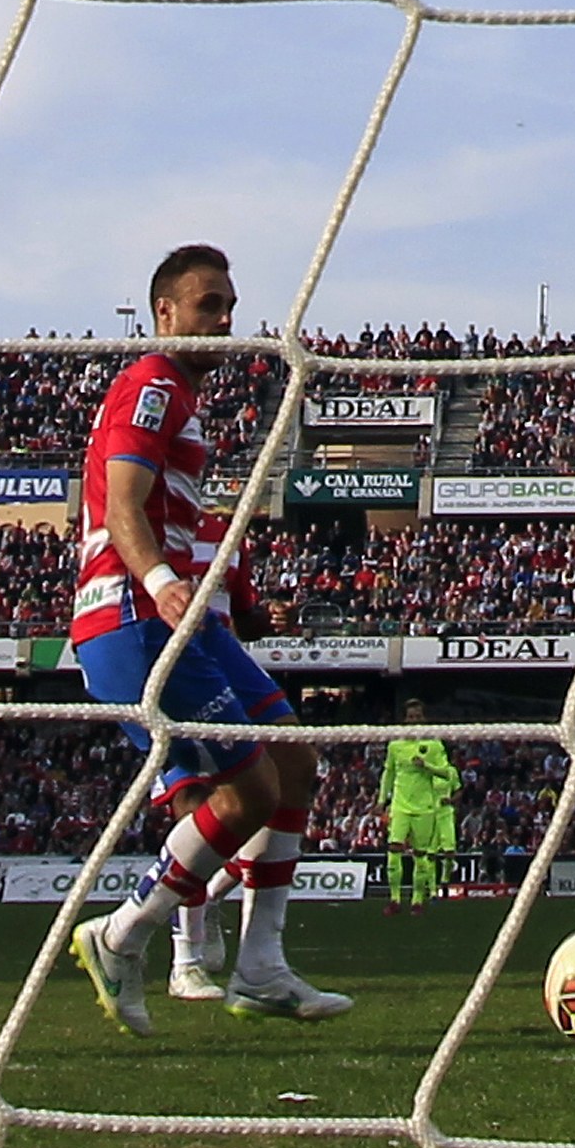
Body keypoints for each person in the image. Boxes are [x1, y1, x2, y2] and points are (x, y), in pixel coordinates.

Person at [68, 244, 351, 1036]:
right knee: (246, 789)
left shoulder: (180, 400)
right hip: (133, 617)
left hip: (183, 622)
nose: (225, 321)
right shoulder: (153, 383)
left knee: (293, 759)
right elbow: (124, 505)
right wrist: (162, 585)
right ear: (165, 313)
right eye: (207, 305)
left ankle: (259, 966)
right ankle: (124, 936)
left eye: (229, 306)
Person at [161, 509, 287, 1002]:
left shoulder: (228, 534)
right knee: (191, 806)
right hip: (168, 679)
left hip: (224, 680)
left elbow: (243, 617)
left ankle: (207, 896)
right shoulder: (151, 523)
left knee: (259, 809)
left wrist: (268, 616)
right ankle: (184, 963)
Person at [380, 699, 457, 915]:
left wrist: (427, 766)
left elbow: (447, 773)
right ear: (405, 719)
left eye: (417, 717)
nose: (414, 720)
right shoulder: (396, 745)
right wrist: (380, 800)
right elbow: (389, 774)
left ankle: (417, 900)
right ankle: (394, 899)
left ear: (424, 719)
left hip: (425, 807)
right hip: (400, 805)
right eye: (410, 717)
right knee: (394, 849)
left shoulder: (433, 745)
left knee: (420, 854)